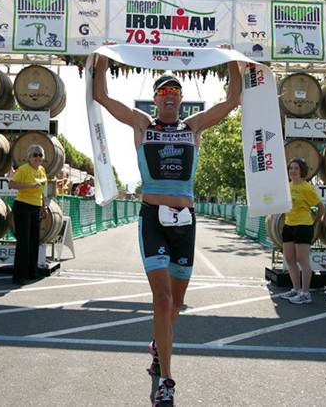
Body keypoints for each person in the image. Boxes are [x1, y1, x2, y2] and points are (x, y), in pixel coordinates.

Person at [93, 49, 241, 407]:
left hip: (185, 221)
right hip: (152, 218)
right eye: (164, 92)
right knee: (161, 298)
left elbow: (233, 100)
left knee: (175, 303)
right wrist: (102, 55)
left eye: (175, 92)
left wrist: (234, 56)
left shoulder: (194, 127)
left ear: (181, 99)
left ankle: (159, 346)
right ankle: (166, 380)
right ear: (156, 98)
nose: (170, 96)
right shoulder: (142, 124)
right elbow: (101, 95)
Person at [281, 157, 325, 304]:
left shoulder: (307, 188)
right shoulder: (287, 186)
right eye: (291, 168)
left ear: (302, 171)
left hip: (303, 226)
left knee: (302, 260)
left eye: (296, 168)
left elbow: (321, 208)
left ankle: (306, 294)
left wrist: (314, 221)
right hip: (288, 225)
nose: (293, 171)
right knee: (289, 259)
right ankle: (296, 289)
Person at [8, 144, 48, 285]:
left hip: (36, 207)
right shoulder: (24, 169)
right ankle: (19, 276)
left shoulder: (42, 170)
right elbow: (11, 184)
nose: (37, 158)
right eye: (34, 155)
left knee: (34, 241)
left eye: (40, 155)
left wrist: (43, 206)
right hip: (23, 206)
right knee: (24, 242)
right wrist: (29, 186)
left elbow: (42, 190)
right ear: (29, 157)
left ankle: (32, 272)